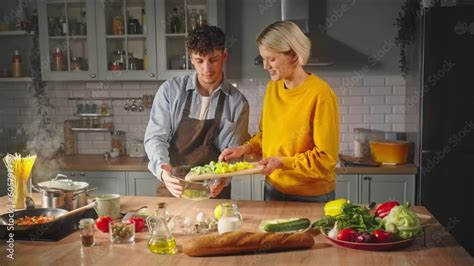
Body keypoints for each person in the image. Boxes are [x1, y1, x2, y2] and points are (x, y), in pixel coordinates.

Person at [219, 21, 339, 203]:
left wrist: (283, 162)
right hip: (273, 189)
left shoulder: (320, 94)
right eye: (263, 58)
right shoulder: (273, 87)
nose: (265, 66)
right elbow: (266, 135)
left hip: (311, 196)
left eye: (271, 59)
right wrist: (244, 148)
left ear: (294, 55)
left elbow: (326, 159)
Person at [144, 25, 249, 199]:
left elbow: (232, 154)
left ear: (224, 55)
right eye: (199, 61)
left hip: (214, 191)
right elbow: (155, 137)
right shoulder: (170, 91)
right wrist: (163, 170)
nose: (207, 69)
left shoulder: (237, 102)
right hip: (173, 188)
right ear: (191, 59)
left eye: (213, 59)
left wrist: (222, 180)